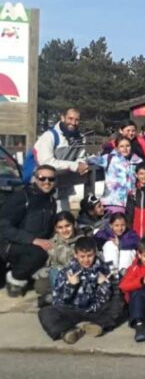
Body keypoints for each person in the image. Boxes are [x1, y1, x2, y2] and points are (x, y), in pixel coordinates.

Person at [37, 236, 123, 343]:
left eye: (89, 256)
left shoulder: (106, 269)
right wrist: (71, 285)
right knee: (45, 312)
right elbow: (58, 300)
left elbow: (110, 299)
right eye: (82, 256)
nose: (86, 260)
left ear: (95, 253)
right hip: (73, 310)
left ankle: (97, 326)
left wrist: (103, 285)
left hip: (96, 311)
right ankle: (68, 331)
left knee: (119, 306)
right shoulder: (67, 271)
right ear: (75, 254)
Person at [1, 164, 59, 296]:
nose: (46, 182)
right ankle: (15, 278)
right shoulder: (22, 197)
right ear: (35, 179)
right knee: (39, 254)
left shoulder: (51, 200)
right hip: (11, 244)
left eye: (51, 179)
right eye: (42, 178)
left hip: (34, 244)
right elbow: (4, 226)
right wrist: (32, 240)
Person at [33, 108, 90, 211]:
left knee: (64, 220)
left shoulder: (80, 138)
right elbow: (46, 163)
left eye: (77, 120)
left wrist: (81, 164)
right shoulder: (49, 137)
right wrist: (75, 166)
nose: (73, 123)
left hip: (63, 188)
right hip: (42, 188)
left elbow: (80, 157)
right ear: (63, 118)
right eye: (70, 118)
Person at [35, 211, 81, 307]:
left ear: (74, 225)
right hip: (58, 278)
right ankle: (58, 297)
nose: (65, 230)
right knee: (54, 271)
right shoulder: (50, 244)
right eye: (60, 227)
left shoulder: (82, 241)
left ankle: (59, 298)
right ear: (56, 229)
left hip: (78, 276)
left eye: (67, 226)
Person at [88, 137, 142, 215]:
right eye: (122, 146)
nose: (125, 149)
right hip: (113, 201)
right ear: (116, 148)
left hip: (132, 202)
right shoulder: (109, 158)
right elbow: (91, 159)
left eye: (127, 146)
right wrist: (81, 163)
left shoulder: (138, 161)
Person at [95, 213, 138, 278]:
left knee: (127, 250)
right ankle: (112, 273)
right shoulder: (107, 232)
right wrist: (109, 238)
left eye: (123, 225)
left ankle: (124, 272)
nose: (120, 228)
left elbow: (137, 241)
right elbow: (97, 237)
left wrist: (120, 243)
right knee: (110, 244)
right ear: (111, 225)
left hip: (125, 262)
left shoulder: (129, 234)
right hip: (111, 263)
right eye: (116, 225)